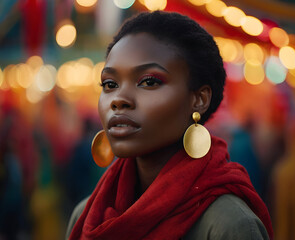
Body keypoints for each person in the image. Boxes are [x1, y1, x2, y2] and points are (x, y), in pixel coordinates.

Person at [66, 11, 273, 240]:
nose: (118, 99)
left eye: (149, 81)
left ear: (199, 100)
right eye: (110, 83)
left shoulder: (229, 226)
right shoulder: (87, 217)